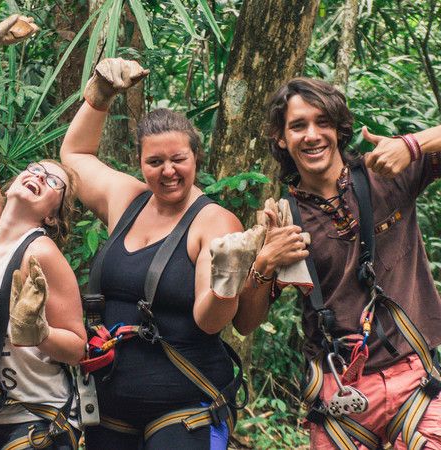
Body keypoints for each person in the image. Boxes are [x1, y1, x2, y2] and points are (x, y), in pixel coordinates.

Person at [233, 77, 441, 449]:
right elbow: (246, 323)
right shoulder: (283, 221)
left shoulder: (386, 176)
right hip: (340, 396)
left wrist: (412, 146)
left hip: (415, 384)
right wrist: (265, 263)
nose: (312, 135)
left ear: (338, 129)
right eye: (298, 126)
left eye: (322, 122)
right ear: (281, 138)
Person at [60, 58, 250, 449]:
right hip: (110, 405)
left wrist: (227, 282)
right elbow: (76, 155)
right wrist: (100, 94)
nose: (168, 171)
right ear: (139, 163)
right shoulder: (127, 199)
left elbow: (210, 320)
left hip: (184, 408)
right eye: (155, 161)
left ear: (196, 157)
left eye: (178, 159)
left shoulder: (213, 221)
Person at [0, 14, 86, 450]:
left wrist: (42, 332)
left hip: (39, 419)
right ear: (11, 184)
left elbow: (79, 346)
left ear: (53, 213)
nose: (37, 176)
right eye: (31, 169)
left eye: (52, 182)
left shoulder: (42, 253)